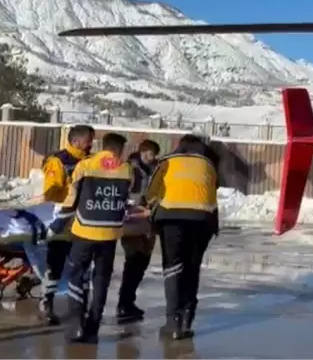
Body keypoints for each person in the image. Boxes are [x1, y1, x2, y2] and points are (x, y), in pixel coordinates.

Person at [49, 132, 134, 344]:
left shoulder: (85, 166)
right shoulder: (127, 170)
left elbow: (71, 200)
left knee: (77, 275)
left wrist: (56, 226)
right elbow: (126, 199)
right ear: (119, 150)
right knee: (102, 280)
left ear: (102, 145)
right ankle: (93, 327)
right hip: (110, 235)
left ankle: (77, 324)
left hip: (84, 231)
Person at [145, 134, 220, 340]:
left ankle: (173, 322)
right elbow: (213, 188)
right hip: (203, 218)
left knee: (173, 268)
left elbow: (150, 193)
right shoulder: (209, 163)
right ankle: (187, 319)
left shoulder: (167, 161)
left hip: (171, 218)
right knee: (192, 267)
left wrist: (151, 207)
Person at [38, 124, 95, 326]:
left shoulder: (92, 161)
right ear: (76, 141)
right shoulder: (59, 161)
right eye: (88, 140)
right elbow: (51, 192)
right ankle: (46, 303)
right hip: (64, 218)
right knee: (56, 263)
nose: (91, 144)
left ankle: (81, 308)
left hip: (87, 220)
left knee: (84, 266)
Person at [117, 139, 161, 323]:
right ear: (141, 152)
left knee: (141, 263)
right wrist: (136, 206)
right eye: (148, 154)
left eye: (153, 155)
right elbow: (122, 194)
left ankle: (129, 301)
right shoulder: (129, 169)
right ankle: (124, 303)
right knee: (133, 262)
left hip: (149, 224)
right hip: (132, 223)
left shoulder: (157, 169)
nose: (151, 158)